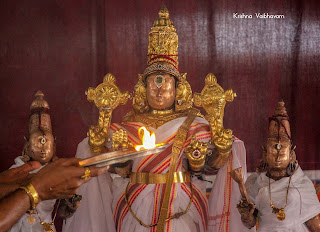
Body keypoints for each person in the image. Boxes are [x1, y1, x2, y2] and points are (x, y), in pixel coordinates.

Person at [63, 6, 248, 232]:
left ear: (178, 89)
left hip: (180, 204)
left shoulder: (194, 125)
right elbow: (109, 166)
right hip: (134, 205)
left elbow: (211, 166)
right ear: (144, 88)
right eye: (153, 85)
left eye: (165, 85)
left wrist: (208, 154)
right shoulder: (128, 125)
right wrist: (114, 155)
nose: (159, 92)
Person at [2, 91, 107, 232]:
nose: (43, 149)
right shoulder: (15, 171)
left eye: (47, 144)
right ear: (27, 146)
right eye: (38, 143)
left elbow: (62, 213)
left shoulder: (58, 173)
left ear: (55, 146)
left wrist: (71, 204)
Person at [237, 100, 320, 232]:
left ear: (291, 153)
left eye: (282, 152)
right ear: (265, 152)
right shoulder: (254, 182)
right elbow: (249, 224)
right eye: (273, 151)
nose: (277, 157)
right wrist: (246, 215)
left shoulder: (302, 183)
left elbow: (314, 223)